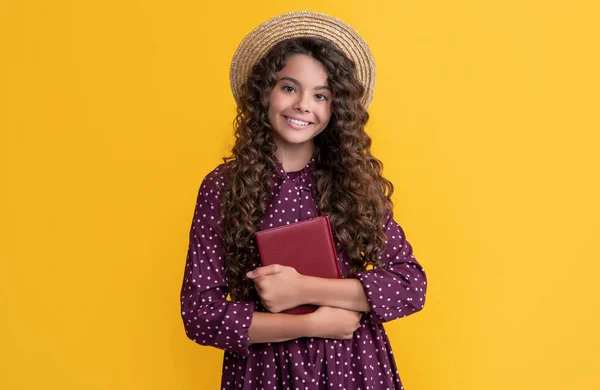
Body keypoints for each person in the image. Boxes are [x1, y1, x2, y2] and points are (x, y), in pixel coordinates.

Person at [180, 11, 427, 390]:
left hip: (355, 369)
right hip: (265, 373)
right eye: (289, 88)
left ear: (336, 108)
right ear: (264, 92)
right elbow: (200, 315)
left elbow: (410, 285)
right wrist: (310, 323)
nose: (302, 105)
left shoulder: (356, 182)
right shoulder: (222, 187)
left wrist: (303, 289)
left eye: (321, 95)